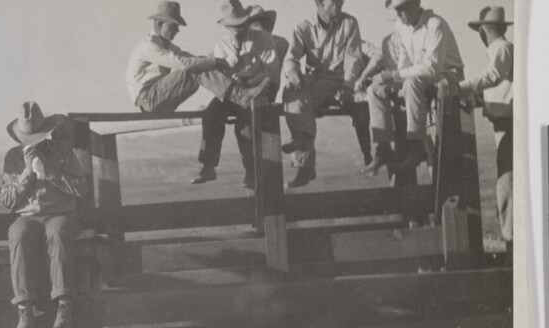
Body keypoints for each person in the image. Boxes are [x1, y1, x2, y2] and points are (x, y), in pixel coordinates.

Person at [0, 102, 87, 328]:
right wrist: (27, 173)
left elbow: (81, 188)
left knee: (57, 233)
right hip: (27, 216)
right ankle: (24, 307)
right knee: (18, 234)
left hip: (59, 213)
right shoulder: (13, 158)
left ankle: (64, 303)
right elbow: (7, 201)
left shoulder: (63, 152)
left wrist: (49, 172)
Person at [362, 0, 465, 175]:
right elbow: (405, 63)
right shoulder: (401, 27)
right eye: (396, 10)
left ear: (416, 4)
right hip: (420, 74)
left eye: (402, 9)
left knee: (412, 83)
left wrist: (394, 75)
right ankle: (383, 147)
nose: (398, 14)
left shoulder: (436, 24)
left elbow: (432, 67)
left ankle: (415, 145)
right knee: (375, 88)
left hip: (447, 75)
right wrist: (389, 81)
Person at [280, 0, 369, 188]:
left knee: (302, 103)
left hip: (336, 79)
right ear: (319, 3)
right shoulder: (304, 28)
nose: (340, 3)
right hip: (313, 79)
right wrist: (293, 73)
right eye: (335, 1)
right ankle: (303, 145)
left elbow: (353, 59)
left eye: (341, 1)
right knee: (290, 91)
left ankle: (304, 161)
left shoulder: (349, 23)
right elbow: (290, 57)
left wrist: (347, 85)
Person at [126, 1, 273, 115]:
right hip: (148, 100)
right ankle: (240, 95)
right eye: (174, 26)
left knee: (200, 63)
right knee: (195, 68)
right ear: (159, 24)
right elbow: (185, 64)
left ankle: (239, 95)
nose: (178, 30)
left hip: (157, 99)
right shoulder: (149, 46)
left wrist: (218, 64)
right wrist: (215, 61)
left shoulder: (167, 45)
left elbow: (193, 58)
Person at [194, 0, 279, 189]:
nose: (237, 30)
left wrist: (249, 84)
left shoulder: (263, 39)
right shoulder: (220, 46)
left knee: (245, 121)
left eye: (240, 25)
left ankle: (251, 170)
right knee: (212, 113)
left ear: (246, 22)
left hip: (259, 90)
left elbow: (271, 73)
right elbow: (220, 83)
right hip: (235, 93)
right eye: (233, 27)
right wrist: (209, 101)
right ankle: (208, 165)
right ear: (227, 27)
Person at [460, 6, 513, 249]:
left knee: (507, 186)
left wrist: (462, 87)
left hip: (509, 127)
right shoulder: (501, 50)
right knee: (506, 185)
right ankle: (511, 242)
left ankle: (511, 245)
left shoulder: (501, 49)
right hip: (504, 126)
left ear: (483, 30)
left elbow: (492, 76)